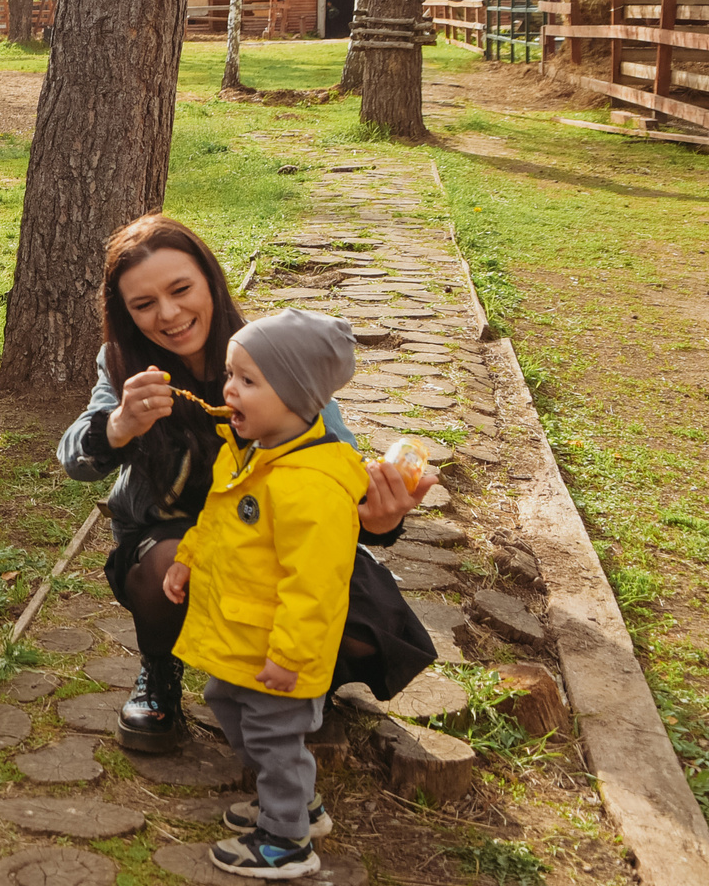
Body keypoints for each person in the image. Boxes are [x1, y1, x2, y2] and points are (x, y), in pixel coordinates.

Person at [57, 214, 432, 753]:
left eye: (181, 289)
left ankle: (293, 687)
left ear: (211, 279)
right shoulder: (124, 365)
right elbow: (75, 458)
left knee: (366, 631)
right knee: (168, 569)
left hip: (275, 540)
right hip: (175, 536)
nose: (168, 314)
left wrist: (376, 519)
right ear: (126, 314)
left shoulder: (275, 351)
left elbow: (336, 460)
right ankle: (160, 673)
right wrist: (118, 427)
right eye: (143, 305)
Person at [165, 308, 367, 878]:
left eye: (249, 381)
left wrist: (292, 656)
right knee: (226, 703)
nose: (229, 389)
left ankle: (286, 840)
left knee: (275, 738)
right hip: (240, 635)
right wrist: (187, 559)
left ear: (299, 398)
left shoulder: (311, 488)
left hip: (279, 649)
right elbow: (216, 520)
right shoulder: (244, 453)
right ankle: (298, 801)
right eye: (231, 374)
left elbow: (317, 587)